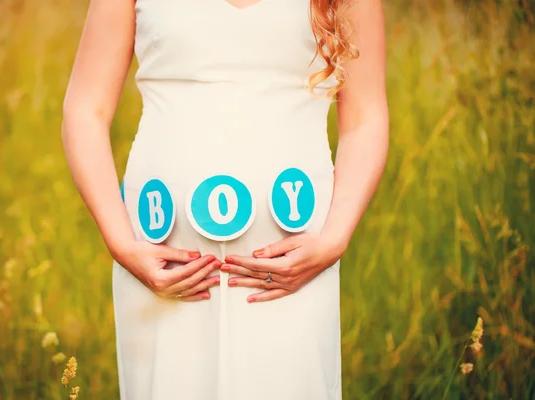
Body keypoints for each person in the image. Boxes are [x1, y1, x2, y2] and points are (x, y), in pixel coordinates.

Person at [61, 0, 388, 398]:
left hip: (296, 267)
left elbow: (365, 117)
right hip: (162, 266)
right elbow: (84, 110)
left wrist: (335, 238)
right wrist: (121, 244)